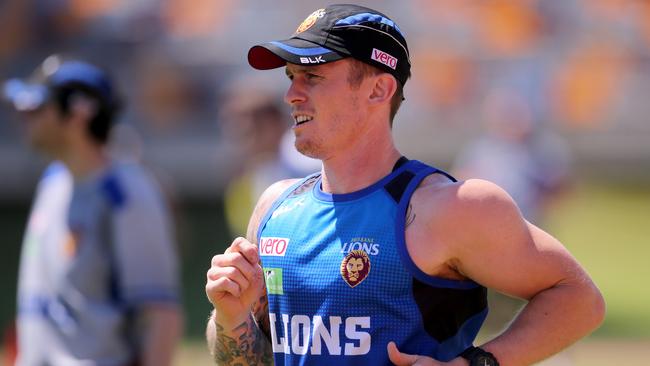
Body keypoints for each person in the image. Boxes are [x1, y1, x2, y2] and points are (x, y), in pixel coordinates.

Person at [205, 4, 605, 366]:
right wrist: (230, 315)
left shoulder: (449, 206)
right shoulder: (276, 205)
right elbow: (247, 361)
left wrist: (476, 364)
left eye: (312, 75)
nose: (292, 94)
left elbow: (579, 298)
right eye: (292, 77)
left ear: (379, 89)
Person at [3, 55, 183, 366]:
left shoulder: (126, 195)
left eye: (37, 108)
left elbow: (160, 315)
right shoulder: (53, 181)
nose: (24, 116)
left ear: (78, 114)